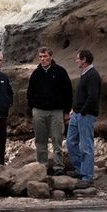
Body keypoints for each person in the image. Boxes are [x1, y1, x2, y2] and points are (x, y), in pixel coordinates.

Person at [27, 47, 73, 176]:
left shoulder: (60, 72)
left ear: (50, 57)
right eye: (41, 57)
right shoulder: (36, 74)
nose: (43, 59)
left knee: (57, 140)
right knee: (40, 141)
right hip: (39, 111)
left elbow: (68, 92)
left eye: (45, 56)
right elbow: (30, 93)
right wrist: (32, 109)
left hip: (56, 111)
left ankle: (58, 167)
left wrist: (66, 111)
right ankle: (42, 167)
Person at [67, 49, 101, 187]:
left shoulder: (92, 75)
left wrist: (83, 112)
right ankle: (80, 169)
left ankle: (87, 176)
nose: (76, 61)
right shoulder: (85, 74)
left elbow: (93, 97)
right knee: (70, 141)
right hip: (77, 113)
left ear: (84, 59)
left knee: (86, 145)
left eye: (78, 59)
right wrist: (74, 110)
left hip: (86, 115)